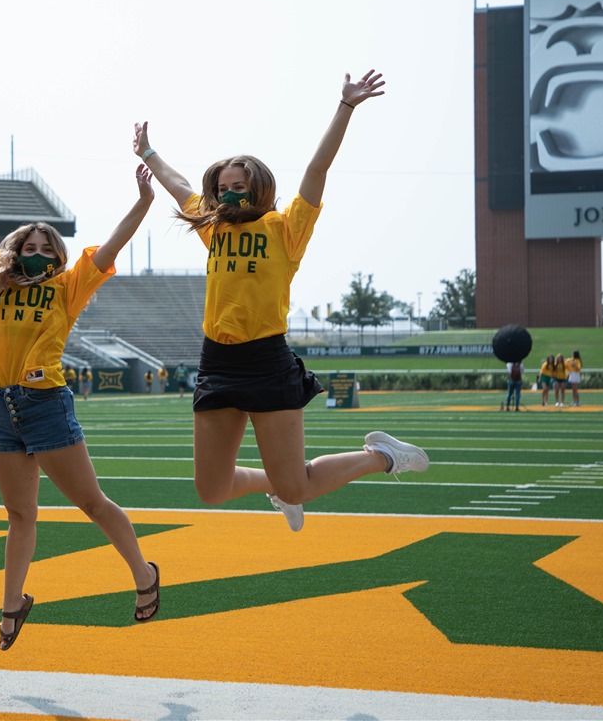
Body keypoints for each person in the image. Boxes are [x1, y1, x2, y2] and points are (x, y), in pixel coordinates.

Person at [133, 70, 428, 533]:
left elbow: (316, 171)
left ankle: (381, 456)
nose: (229, 193)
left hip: (266, 360)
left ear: (260, 189)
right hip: (217, 363)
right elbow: (177, 183)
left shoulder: (285, 229)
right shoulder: (213, 227)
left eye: (239, 186)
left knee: (297, 488)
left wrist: (345, 106)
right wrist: (148, 152)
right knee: (211, 490)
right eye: (223, 186)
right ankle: (273, 486)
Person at [0, 136, 160, 651]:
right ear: (14, 251)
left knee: (91, 502)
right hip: (2, 408)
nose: (38, 254)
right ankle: (12, 602)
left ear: (58, 258)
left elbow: (110, 247)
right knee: (19, 515)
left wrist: (144, 202)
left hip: (46, 405)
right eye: (29, 247)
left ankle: (144, 573)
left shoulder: (67, 287)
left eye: (47, 249)